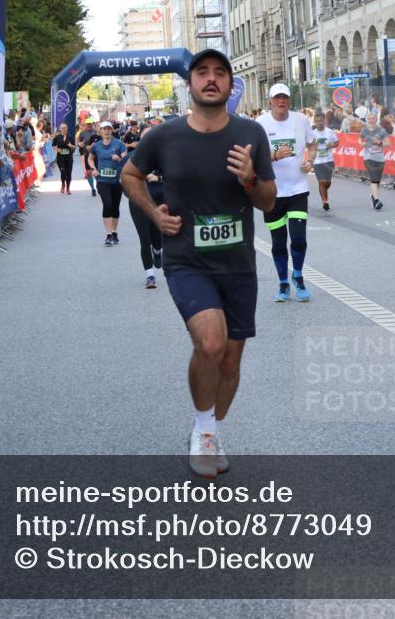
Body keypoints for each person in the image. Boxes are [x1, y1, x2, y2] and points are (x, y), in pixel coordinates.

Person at [120, 48, 277, 478]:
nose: (212, 79)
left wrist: (248, 178)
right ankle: (204, 432)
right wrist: (154, 214)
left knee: (230, 358)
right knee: (210, 342)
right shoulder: (163, 136)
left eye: (220, 73)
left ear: (230, 84)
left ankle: (210, 428)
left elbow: (268, 202)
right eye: (202, 73)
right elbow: (129, 176)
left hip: (239, 263)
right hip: (187, 259)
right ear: (189, 85)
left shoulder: (251, 134)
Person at [257, 83, 317, 303]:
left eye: (285, 98)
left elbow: (313, 144)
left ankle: (298, 277)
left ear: (289, 101)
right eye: (277, 98)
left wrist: (310, 160)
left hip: (298, 189)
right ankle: (283, 283)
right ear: (270, 101)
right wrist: (273, 156)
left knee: (299, 239)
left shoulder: (300, 120)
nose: (281, 101)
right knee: (279, 242)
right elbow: (252, 156)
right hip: (271, 192)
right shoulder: (261, 124)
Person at [127, 124, 164, 288]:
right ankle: (150, 276)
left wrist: (159, 178)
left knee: (157, 238)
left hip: (159, 202)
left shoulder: (166, 157)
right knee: (145, 239)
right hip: (139, 203)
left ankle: (158, 251)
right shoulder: (132, 158)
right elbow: (124, 181)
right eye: (145, 138)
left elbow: (179, 179)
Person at [89, 121, 128, 246]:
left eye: (109, 129)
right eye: (104, 129)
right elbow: (90, 158)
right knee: (108, 205)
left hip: (117, 180)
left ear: (112, 131)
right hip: (102, 180)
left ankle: (114, 232)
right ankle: (108, 234)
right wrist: (94, 169)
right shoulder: (96, 146)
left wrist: (119, 159)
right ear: (100, 131)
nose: (106, 131)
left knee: (115, 207)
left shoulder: (119, 144)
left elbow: (126, 161)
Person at [358, 111, 389, 211]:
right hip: (368, 157)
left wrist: (379, 142)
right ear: (367, 120)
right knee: (374, 179)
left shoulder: (381, 130)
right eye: (369, 118)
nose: (371, 120)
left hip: (380, 158)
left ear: (376, 119)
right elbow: (360, 140)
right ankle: (377, 201)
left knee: (377, 181)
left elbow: (388, 144)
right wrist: (362, 143)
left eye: (373, 118)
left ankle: (373, 196)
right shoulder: (364, 130)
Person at [311, 112, 339, 211]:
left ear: (324, 121)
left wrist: (332, 145)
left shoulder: (330, 132)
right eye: (317, 121)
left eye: (321, 121)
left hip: (329, 160)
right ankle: (325, 202)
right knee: (321, 181)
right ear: (314, 122)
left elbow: (337, 142)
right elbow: (309, 145)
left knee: (327, 182)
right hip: (317, 161)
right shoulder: (312, 133)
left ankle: (324, 193)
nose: (319, 123)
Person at [77, 117, 99, 197]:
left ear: (93, 124)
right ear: (86, 124)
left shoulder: (97, 132)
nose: (89, 125)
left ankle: (98, 185)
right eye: (88, 124)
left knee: (97, 172)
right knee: (89, 173)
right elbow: (79, 142)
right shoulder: (82, 133)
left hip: (97, 155)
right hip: (87, 154)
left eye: (91, 124)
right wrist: (80, 144)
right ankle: (93, 188)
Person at [52, 123, 76, 194]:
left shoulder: (70, 137)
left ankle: (68, 188)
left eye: (65, 128)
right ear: (60, 129)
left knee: (69, 173)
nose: (64, 129)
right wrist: (57, 149)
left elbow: (74, 146)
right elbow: (53, 145)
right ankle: (63, 184)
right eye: (62, 128)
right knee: (63, 172)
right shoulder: (57, 137)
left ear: (67, 129)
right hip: (60, 158)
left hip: (69, 157)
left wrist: (71, 145)